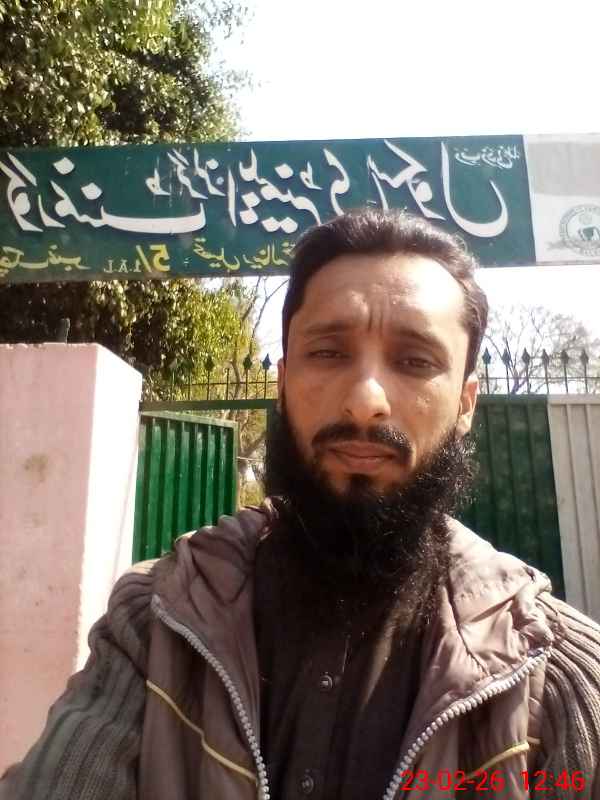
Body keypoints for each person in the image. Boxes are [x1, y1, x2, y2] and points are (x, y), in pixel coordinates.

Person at [2, 209, 599, 800]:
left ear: (466, 403)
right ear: (283, 382)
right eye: (329, 353)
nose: (365, 401)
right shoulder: (156, 626)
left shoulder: (554, 673)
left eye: (415, 361)